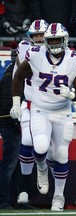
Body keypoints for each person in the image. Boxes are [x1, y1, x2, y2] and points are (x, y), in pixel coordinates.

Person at [10, 23, 76, 211]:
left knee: (61, 154)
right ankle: (42, 168)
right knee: (40, 146)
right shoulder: (35, 56)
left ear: (65, 40)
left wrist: (71, 95)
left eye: (57, 40)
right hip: (40, 110)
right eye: (50, 40)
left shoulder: (74, 59)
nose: (53, 43)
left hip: (62, 113)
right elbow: (18, 77)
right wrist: (15, 104)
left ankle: (58, 198)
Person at [12, 19, 49, 207]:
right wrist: (15, 103)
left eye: (42, 34)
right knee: (26, 142)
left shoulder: (60, 50)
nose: (39, 38)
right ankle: (24, 190)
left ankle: (56, 194)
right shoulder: (26, 47)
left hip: (52, 107)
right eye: (35, 35)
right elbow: (19, 73)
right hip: (30, 104)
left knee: (56, 153)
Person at [0, 49, 21, 209]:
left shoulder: (13, 73)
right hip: (11, 125)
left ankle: (16, 200)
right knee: (9, 165)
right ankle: (4, 201)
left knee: (18, 165)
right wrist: (16, 123)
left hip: (14, 125)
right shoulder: (12, 76)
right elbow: (8, 102)